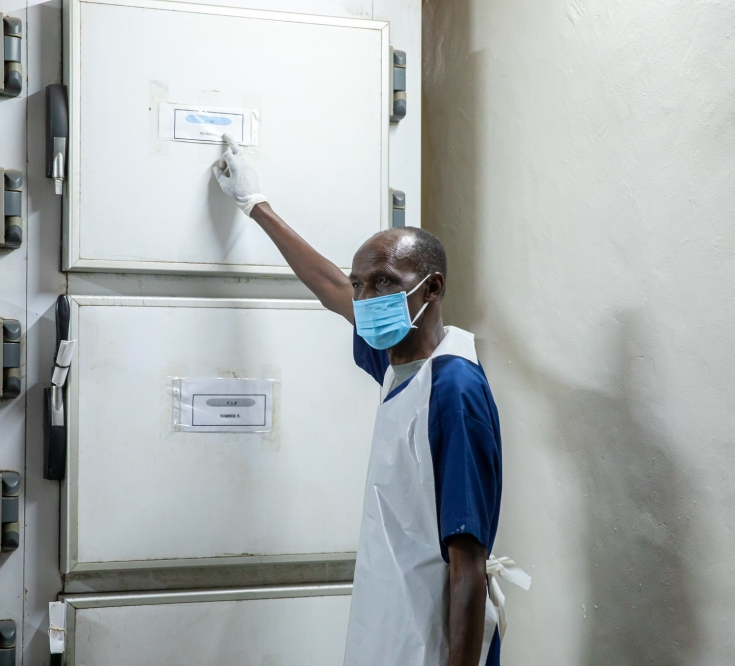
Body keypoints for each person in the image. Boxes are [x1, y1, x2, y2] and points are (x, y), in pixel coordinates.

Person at [213, 135, 512, 666]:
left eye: (383, 283)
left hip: (433, 647)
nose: (367, 298)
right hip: (388, 629)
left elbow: (468, 565)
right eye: (362, 286)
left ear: (432, 288)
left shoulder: (453, 388)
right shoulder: (397, 364)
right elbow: (330, 286)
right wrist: (254, 205)